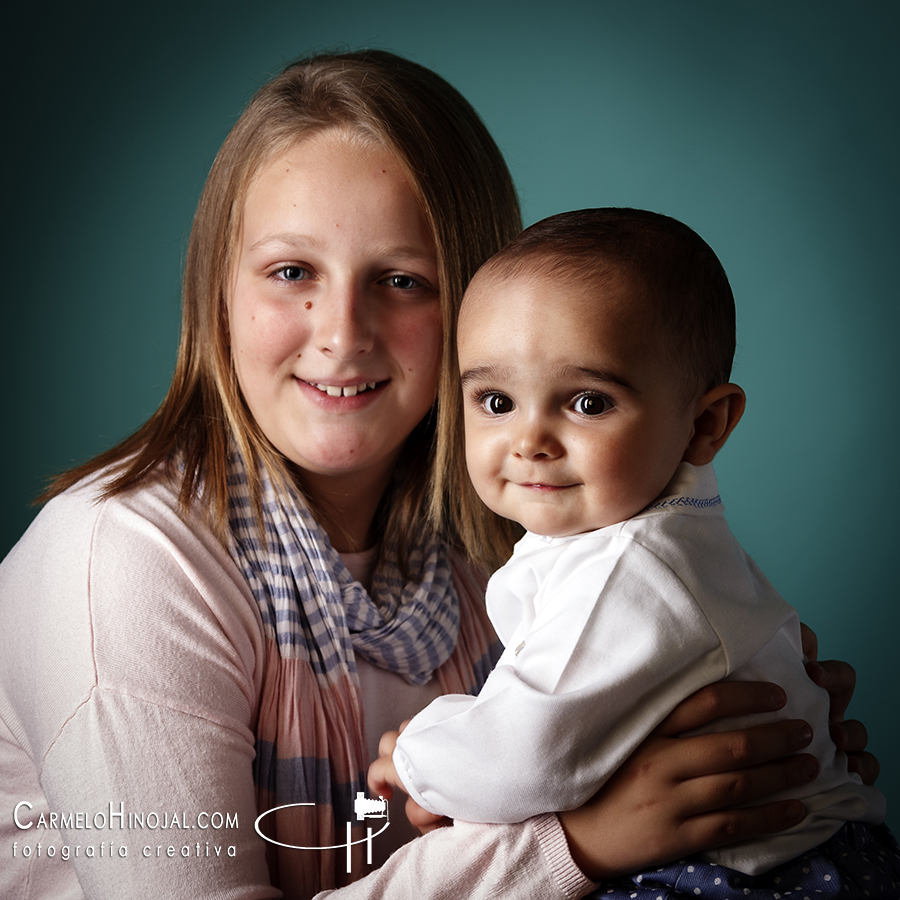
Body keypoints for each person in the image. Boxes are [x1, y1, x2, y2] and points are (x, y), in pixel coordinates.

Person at [0, 53, 877, 900]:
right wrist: (577, 845)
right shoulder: (122, 560)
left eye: (403, 279)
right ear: (218, 293)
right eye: (292, 271)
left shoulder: (508, 550)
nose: (342, 332)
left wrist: (747, 737)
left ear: (483, 309)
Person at [368, 208, 898, 896]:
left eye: (588, 402)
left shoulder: (634, 567)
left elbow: (527, 757)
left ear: (704, 424)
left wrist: (419, 752)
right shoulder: (664, 532)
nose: (530, 439)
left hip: (737, 876)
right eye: (496, 400)